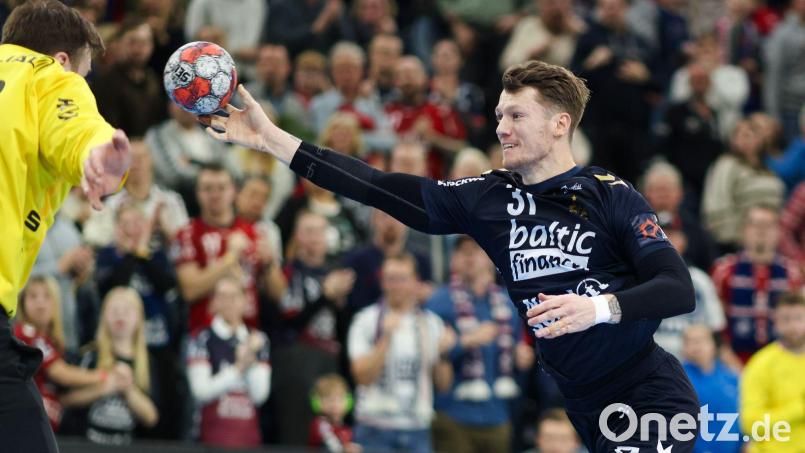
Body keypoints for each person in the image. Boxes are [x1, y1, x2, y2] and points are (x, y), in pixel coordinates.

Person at [201, 59, 700, 451]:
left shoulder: (609, 195)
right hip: (583, 401)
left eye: (517, 115)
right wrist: (273, 140)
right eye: (500, 115)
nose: (501, 127)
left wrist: (595, 308)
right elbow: (377, 187)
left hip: (645, 388)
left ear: (559, 124)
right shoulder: (488, 198)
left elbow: (678, 290)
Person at [0, 1, 132, 451]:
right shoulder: (46, 76)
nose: (84, 83)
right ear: (61, 61)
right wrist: (100, 158)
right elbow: (77, 129)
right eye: (85, 73)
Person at [61, 287, 159, 445]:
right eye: (114, 310)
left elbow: (152, 417)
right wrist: (106, 387)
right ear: (103, 316)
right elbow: (66, 400)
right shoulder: (90, 355)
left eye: (127, 310)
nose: (120, 315)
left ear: (139, 317)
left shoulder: (147, 362)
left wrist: (128, 389)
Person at [15, 275, 107, 433]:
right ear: (23, 302)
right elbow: (60, 373)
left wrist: (107, 387)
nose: (40, 302)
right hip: (28, 425)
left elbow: (62, 398)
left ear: (56, 303)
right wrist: (103, 376)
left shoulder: (54, 343)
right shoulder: (25, 333)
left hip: (49, 427)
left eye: (47, 296)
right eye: (33, 296)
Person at [187, 277, 271, 448]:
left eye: (234, 296)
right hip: (210, 438)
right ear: (213, 302)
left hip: (248, 439)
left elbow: (259, 395)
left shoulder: (258, 339)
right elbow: (201, 391)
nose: (229, 303)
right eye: (222, 296)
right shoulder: (201, 338)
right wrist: (239, 367)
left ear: (245, 300)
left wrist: (250, 360)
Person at [740, 291, 805, 452]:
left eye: (798, 318)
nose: (793, 326)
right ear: (775, 322)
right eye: (785, 319)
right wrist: (800, 409)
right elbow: (750, 424)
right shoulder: (760, 364)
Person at [308, 373, 361, 453]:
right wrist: (345, 449)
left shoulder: (346, 430)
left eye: (340, 399)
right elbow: (333, 446)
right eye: (330, 400)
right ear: (317, 403)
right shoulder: (320, 425)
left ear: (348, 402)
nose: (335, 405)